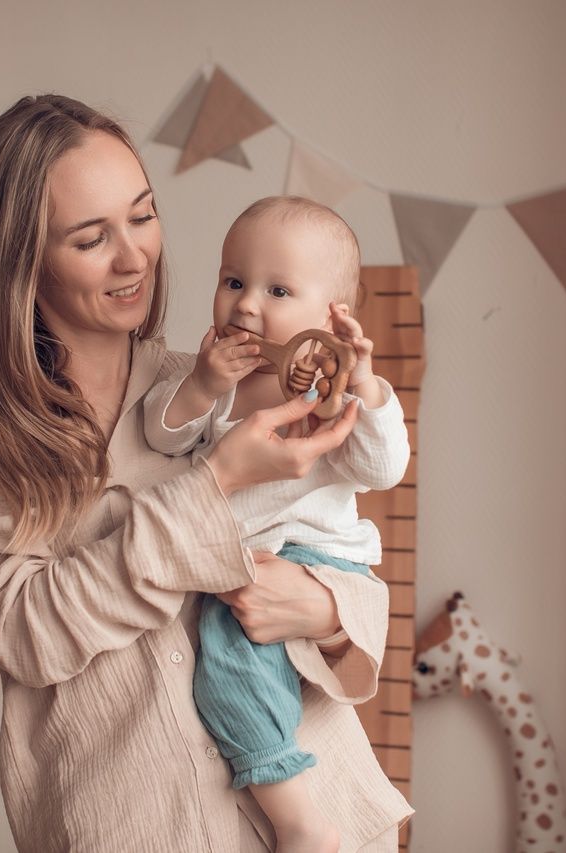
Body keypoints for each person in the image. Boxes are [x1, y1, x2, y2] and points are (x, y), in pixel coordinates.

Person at [0, 95, 414, 852]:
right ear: (21, 257)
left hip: (324, 817)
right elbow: (16, 628)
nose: (134, 256)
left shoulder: (210, 388)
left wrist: (320, 606)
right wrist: (213, 488)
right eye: (90, 237)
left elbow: (354, 571)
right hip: (137, 824)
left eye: (142, 217)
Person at [141, 196, 411, 852]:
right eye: (233, 280)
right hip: (239, 570)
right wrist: (202, 385)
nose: (246, 304)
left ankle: (299, 820)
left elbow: (384, 467)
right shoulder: (222, 385)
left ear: (331, 319)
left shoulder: (336, 394)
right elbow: (162, 436)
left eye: (278, 289)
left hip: (316, 560)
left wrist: (367, 387)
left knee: (228, 670)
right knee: (229, 670)